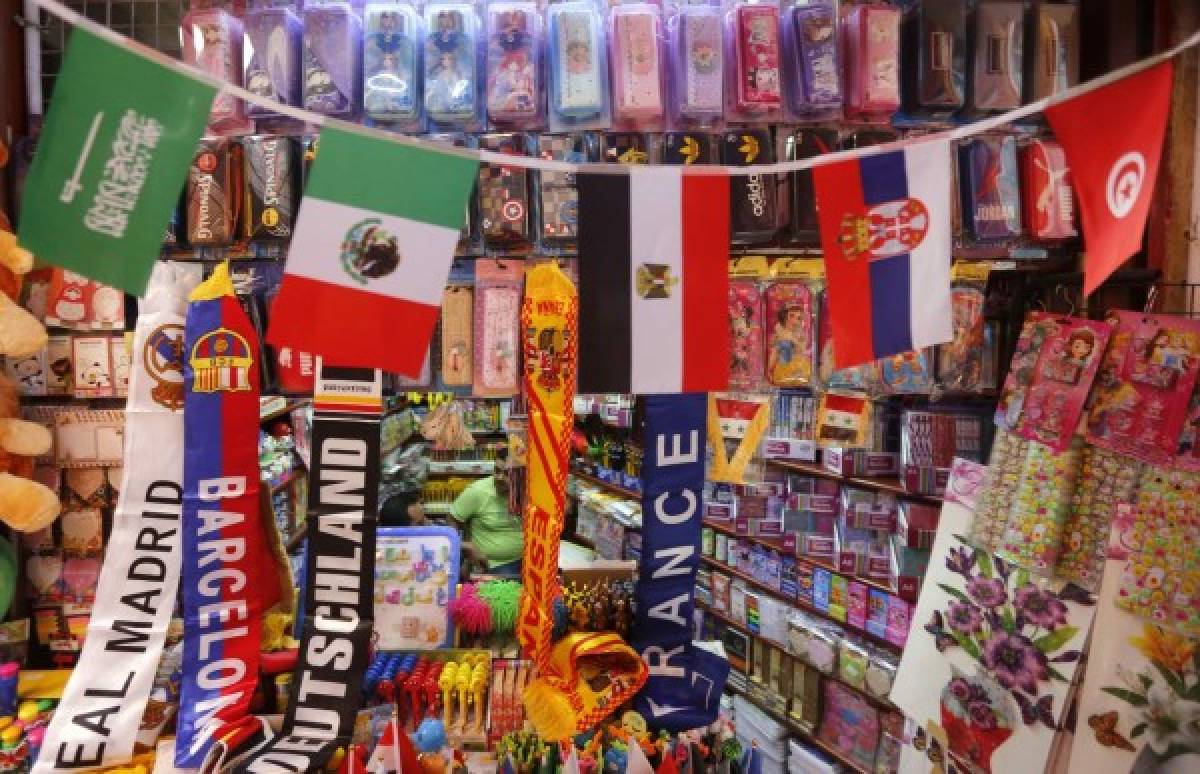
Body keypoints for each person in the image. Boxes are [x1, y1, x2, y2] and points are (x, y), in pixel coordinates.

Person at [450, 452, 522, 575]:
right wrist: (464, 546)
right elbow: (452, 520)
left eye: (506, 474)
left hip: (529, 561)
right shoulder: (477, 492)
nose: (499, 477)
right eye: (496, 470)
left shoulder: (529, 490)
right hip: (493, 564)